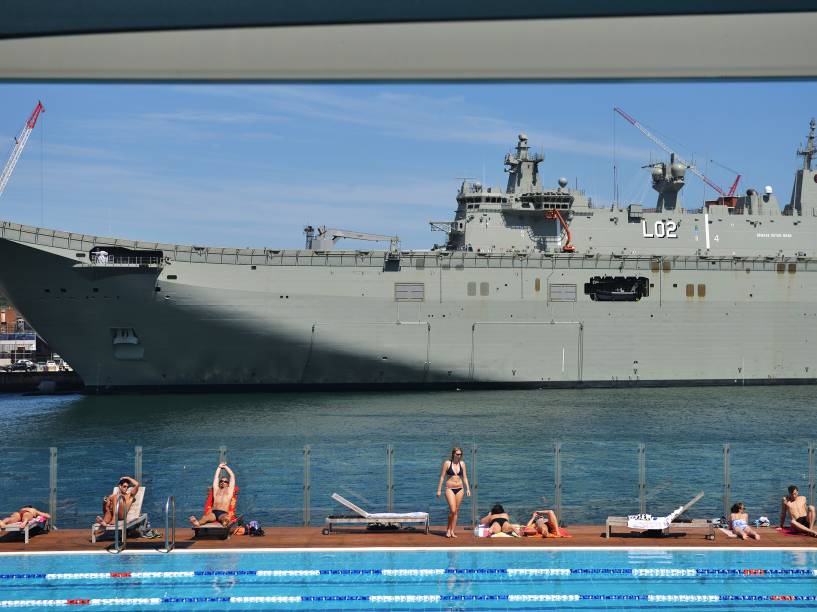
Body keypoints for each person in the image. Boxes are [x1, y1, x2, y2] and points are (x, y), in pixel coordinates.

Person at [436, 446, 471, 538]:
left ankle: (452, 531)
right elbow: (442, 477)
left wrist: (468, 489)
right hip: (449, 488)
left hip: (460, 488)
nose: (459, 456)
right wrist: (439, 490)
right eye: (457, 454)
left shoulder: (462, 464)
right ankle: (448, 529)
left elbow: (465, 477)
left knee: (456, 511)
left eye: (460, 454)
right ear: (453, 454)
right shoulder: (447, 463)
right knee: (452, 510)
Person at [190, 463, 236, 527]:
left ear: (228, 484)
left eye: (225, 481)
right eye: (221, 481)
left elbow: (232, 476)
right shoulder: (216, 490)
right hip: (214, 513)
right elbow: (216, 477)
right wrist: (219, 467)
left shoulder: (229, 491)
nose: (223, 482)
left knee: (225, 518)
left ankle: (225, 522)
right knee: (205, 518)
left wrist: (225, 467)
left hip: (223, 513)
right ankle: (197, 523)